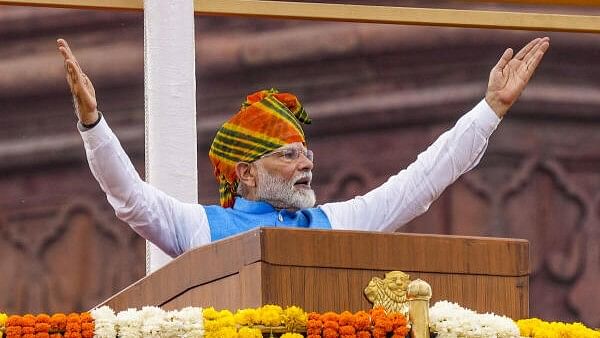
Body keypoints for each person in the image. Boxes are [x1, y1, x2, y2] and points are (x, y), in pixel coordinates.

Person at [57, 37, 550, 258]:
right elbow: (130, 197)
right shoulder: (200, 227)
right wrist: (92, 122)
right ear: (246, 174)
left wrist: (490, 109)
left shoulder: (337, 224)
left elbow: (422, 181)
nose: (305, 161)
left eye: (305, 151)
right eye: (287, 154)